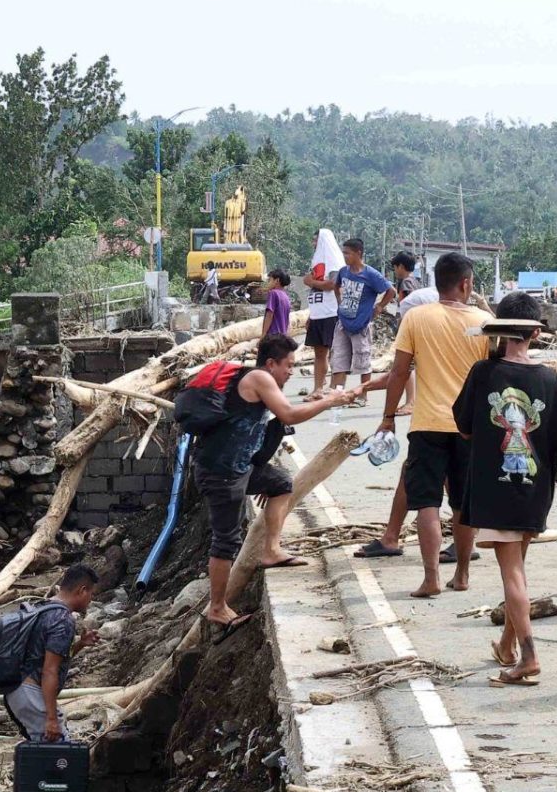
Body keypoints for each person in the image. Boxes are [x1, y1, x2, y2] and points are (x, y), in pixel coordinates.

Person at [453, 293, 557, 685]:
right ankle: (507, 645)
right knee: (518, 569)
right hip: (536, 490)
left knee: (512, 574)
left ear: (499, 329)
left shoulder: (484, 373)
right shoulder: (549, 379)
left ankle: (529, 656)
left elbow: (464, 427)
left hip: (496, 491)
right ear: (535, 332)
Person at [193, 333, 362, 626]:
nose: (291, 372)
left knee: (281, 483)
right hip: (220, 472)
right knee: (226, 540)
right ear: (271, 363)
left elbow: (264, 428)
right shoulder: (260, 378)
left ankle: (270, 551)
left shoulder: (260, 380)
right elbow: (289, 415)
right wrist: (330, 401)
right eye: (289, 365)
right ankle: (217, 607)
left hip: (240, 467)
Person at [372, 253, 495, 594]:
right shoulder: (485, 321)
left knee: (427, 502)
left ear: (436, 281)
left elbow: (399, 372)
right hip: (469, 426)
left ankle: (431, 579)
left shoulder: (416, 318)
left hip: (426, 423)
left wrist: (387, 417)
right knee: (462, 502)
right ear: (466, 283)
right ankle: (463, 575)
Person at [0, 566, 102, 792]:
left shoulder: (43, 608)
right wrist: (51, 717)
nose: (90, 602)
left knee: (43, 750)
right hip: (31, 692)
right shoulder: (62, 621)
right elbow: (49, 672)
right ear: (81, 591)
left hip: (18, 690)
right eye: (91, 595)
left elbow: (45, 657)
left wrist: (80, 646)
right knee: (57, 750)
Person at [306, 236, 394, 391]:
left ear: (358, 253)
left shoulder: (371, 274)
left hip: (361, 325)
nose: (345, 256)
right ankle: (337, 393)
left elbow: (391, 291)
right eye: (343, 253)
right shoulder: (343, 272)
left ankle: (362, 395)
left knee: (362, 361)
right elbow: (336, 286)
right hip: (343, 323)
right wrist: (340, 304)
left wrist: (379, 307)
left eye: (348, 253)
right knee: (339, 359)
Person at [302, 229, 343, 395]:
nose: (313, 244)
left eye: (316, 240)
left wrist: (311, 282)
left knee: (335, 351)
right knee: (319, 353)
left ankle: (334, 388)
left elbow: (332, 284)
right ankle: (318, 388)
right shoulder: (317, 262)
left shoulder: (334, 262)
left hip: (330, 313)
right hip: (317, 313)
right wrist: (310, 315)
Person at [262, 269, 294, 338]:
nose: (268, 283)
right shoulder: (285, 296)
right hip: (282, 336)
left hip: (273, 335)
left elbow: (269, 315)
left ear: (277, 280)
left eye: (270, 280)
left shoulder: (273, 293)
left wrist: (263, 335)